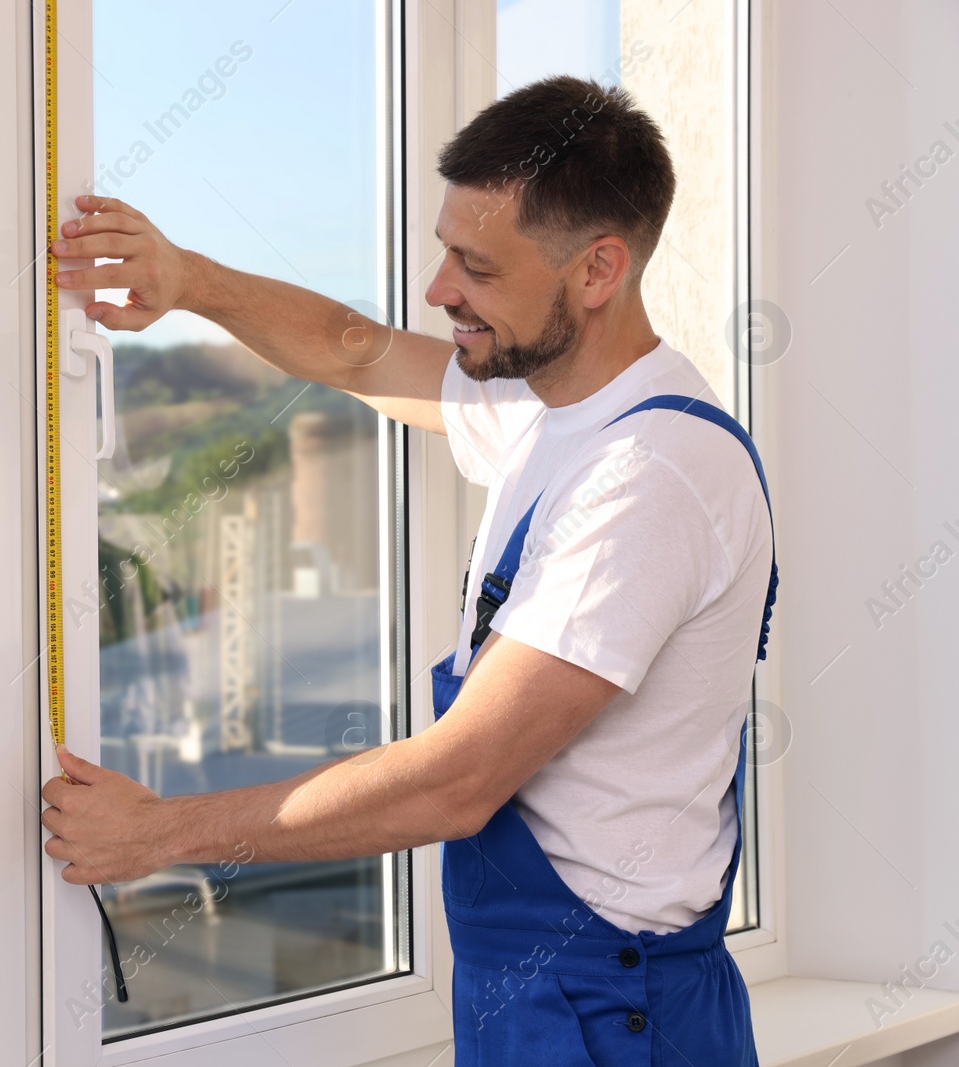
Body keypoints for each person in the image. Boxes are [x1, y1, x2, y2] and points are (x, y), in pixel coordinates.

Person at [39, 75, 774, 1064]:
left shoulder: (645, 481)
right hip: (543, 999)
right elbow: (357, 352)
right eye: (443, 250)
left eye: (475, 265)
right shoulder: (548, 410)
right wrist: (188, 281)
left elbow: (455, 780)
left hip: (611, 1015)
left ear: (597, 270)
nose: (438, 289)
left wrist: (162, 831)